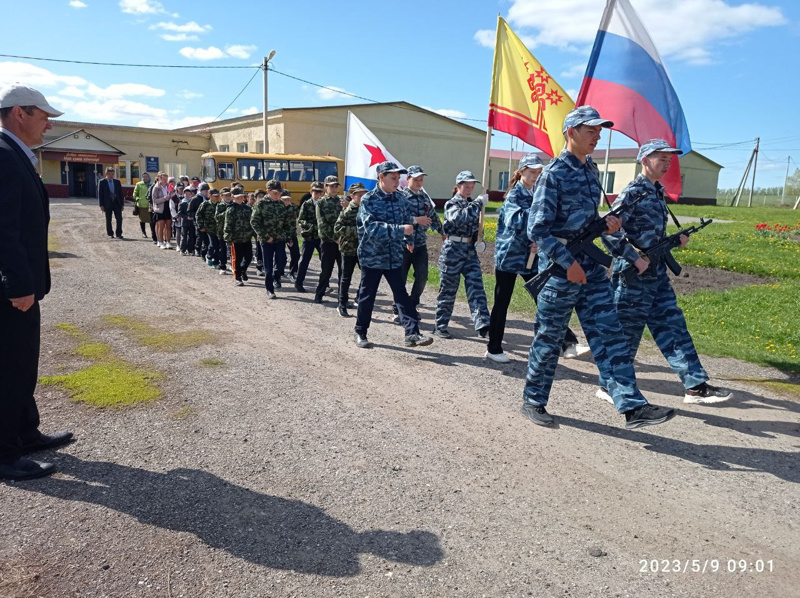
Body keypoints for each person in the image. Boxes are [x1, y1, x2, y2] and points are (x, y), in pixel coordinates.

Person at [523, 105, 676, 429]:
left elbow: (587, 221)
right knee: (549, 339)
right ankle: (533, 400)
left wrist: (605, 224)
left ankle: (631, 406)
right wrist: (567, 264)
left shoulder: (591, 170)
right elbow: (537, 230)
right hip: (560, 269)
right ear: (571, 133)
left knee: (610, 335)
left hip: (591, 267)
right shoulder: (553, 174)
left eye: (599, 130)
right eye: (590, 130)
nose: (597, 136)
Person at [598, 139, 732, 405]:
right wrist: (634, 258)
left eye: (669, 160)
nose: (667, 164)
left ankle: (694, 385)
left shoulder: (656, 192)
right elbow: (608, 230)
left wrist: (674, 241)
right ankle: (608, 385)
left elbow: (650, 235)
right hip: (633, 276)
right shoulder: (633, 192)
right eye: (662, 159)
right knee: (626, 332)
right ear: (645, 160)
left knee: (673, 325)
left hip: (656, 274)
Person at [0, 84, 73, 480]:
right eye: (44, 115)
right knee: (9, 367)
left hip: (23, 286)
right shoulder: (3, 154)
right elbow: (2, 228)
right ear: (19, 113)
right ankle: (5, 452)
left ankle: (25, 431)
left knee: (24, 362)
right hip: (11, 290)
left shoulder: (16, 154)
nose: (48, 123)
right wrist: (15, 283)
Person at [486, 154, 588, 363]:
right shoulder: (514, 195)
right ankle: (493, 348)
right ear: (521, 171)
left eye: (538, 172)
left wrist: (538, 238)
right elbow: (516, 220)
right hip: (509, 256)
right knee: (502, 302)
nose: (535, 175)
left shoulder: (537, 194)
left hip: (530, 257)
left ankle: (567, 342)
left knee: (544, 297)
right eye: (531, 171)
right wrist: (536, 229)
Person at [353, 161, 433, 349]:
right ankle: (360, 332)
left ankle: (412, 333)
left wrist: (410, 240)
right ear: (381, 177)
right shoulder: (369, 200)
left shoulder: (400, 199)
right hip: (373, 257)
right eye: (393, 178)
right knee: (367, 295)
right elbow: (371, 228)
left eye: (399, 178)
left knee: (401, 296)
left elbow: (408, 222)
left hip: (394, 256)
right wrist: (399, 230)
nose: (397, 182)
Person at [433, 171, 491, 339]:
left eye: (472, 187)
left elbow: (476, 228)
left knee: (476, 286)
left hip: (469, 252)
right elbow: (459, 219)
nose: (470, 190)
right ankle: (440, 325)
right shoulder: (452, 204)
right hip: (452, 251)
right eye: (466, 186)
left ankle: (483, 324)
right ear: (458, 186)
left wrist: (479, 241)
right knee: (448, 290)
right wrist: (478, 205)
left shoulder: (474, 204)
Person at [392, 165, 442, 324]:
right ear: (407, 180)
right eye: (416, 179)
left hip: (420, 245)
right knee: (400, 279)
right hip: (403, 245)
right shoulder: (400, 197)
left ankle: (411, 306)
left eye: (421, 180)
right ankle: (398, 310)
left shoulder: (424, 197)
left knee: (422, 277)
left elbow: (433, 215)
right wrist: (416, 220)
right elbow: (398, 218)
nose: (419, 182)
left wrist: (443, 232)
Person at [334, 182, 367, 317]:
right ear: (353, 196)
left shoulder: (367, 210)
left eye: (364, 195)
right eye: (360, 195)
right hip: (349, 249)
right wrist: (357, 231)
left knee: (366, 276)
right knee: (346, 278)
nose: (362, 198)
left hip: (364, 249)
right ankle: (342, 304)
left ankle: (360, 300)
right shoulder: (347, 212)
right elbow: (337, 229)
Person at [250, 180, 286, 298]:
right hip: (267, 241)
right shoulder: (260, 204)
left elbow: (285, 223)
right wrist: (265, 236)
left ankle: (277, 277)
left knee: (281, 262)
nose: (277, 195)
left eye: (279, 193)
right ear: (268, 191)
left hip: (280, 238)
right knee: (268, 266)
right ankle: (270, 289)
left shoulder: (281, 204)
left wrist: (289, 237)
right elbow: (254, 222)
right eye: (275, 193)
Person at [314, 175, 345, 304]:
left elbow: (347, 220)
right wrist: (334, 238)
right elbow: (322, 224)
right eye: (331, 186)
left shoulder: (342, 201)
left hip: (342, 242)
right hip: (328, 242)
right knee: (326, 270)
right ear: (326, 187)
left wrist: (347, 206)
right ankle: (319, 295)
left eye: (336, 186)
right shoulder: (321, 202)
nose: (334, 188)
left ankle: (342, 298)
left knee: (343, 272)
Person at [295, 181, 324, 292]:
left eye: (320, 192)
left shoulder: (324, 204)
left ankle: (324, 285)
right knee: (304, 261)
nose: (318, 194)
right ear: (311, 192)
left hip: (321, 238)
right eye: (315, 192)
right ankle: (299, 283)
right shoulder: (306, 204)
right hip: (309, 237)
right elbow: (301, 220)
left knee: (325, 261)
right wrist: (312, 227)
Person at [223, 188, 254, 287]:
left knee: (249, 257)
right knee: (237, 258)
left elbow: (252, 222)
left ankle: (243, 269)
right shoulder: (231, 209)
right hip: (236, 239)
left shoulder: (248, 208)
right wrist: (228, 238)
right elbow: (228, 225)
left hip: (247, 237)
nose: (240, 199)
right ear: (233, 197)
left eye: (241, 197)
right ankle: (238, 277)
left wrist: (254, 234)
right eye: (238, 197)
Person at [196, 188, 221, 268]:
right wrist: (201, 226)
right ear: (210, 196)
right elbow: (198, 215)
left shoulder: (220, 204)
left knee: (218, 246)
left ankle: (216, 262)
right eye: (215, 196)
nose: (216, 198)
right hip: (209, 228)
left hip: (219, 229)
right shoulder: (205, 204)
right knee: (213, 244)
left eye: (218, 196)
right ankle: (209, 256)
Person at [98, 166, 124, 239]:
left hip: (117, 203)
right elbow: (100, 194)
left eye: (112, 174)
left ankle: (119, 233)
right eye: (109, 174)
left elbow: (120, 194)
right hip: (107, 203)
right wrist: (101, 205)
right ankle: (110, 233)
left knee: (119, 219)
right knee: (108, 219)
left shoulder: (117, 182)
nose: (111, 176)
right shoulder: (102, 182)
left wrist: (122, 204)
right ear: (106, 174)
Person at [151, 171, 175, 249]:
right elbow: (154, 200)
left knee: (168, 225)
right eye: (164, 179)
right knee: (161, 226)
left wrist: (171, 194)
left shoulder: (169, 186)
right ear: (159, 179)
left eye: (166, 179)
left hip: (168, 207)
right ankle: (160, 241)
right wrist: (164, 198)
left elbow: (173, 195)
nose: (165, 180)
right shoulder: (156, 187)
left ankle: (168, 241)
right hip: (160, 208)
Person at [282, 190, 300, 283]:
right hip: (280, 235)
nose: (287, 201)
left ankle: (292, 272)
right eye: (284, 200)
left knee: (296, 254)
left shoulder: (293, 207)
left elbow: (300, 217)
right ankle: (279, 272)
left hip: (291, 234)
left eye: (288, 199)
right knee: (281, 256)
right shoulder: (277, 208)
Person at [215, 188, 234, 274]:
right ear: (222, 196)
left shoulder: (234, 205)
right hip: (222, 231)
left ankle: (233, 265)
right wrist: (227, 212)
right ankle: (222, 266)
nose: (228, 197)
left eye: (229, 195)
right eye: (225, 195)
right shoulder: (219, 205)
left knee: (233, 249)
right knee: (222, 249)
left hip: (233, 231)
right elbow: (217, 217)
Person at [132, 172, 152, 239]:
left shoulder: (151, 185)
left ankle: (153, 233)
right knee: (142, 219)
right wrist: (138, 199)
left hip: (149, 205)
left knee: (151, 220)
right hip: (141, 205)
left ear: (148, 177)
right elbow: (135, 194)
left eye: (146, 176)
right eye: (143, 177)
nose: (145, 178)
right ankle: (144, 233)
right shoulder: (139, 184)